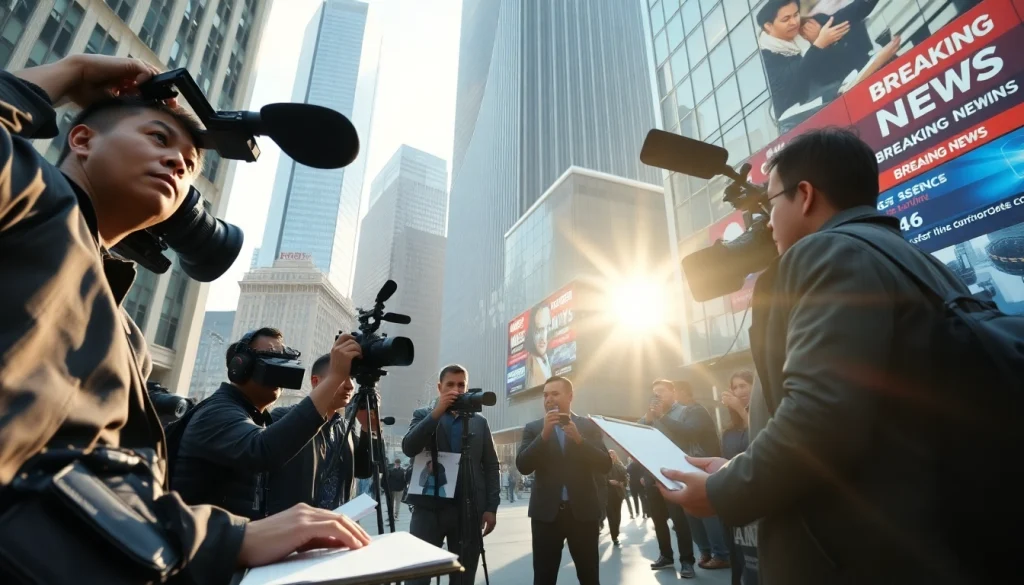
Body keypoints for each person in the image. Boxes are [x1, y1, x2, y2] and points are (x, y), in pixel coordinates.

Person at [0, 54, 369, 584]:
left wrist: (226, 540)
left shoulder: (124, 331)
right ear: (81, 140)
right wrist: (72, 74)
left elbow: (100, 483)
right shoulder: (35, 200)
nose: (178, 163)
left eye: (190, 165)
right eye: (157, 138)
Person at [659, 128, 977, 584]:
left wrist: (724, 490)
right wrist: (737, 467)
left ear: (804, 195)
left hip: (856, 555)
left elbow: (821, 414)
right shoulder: (917, 261)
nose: (766, 222)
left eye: (770, 204)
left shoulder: (830, 252)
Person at [172, 329, 361, 520]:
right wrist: (335, 377)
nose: (279, 367)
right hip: (201, 546)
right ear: (240, 367)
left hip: (236, 542)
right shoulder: (216, 412)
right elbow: (261, 449)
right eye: (269, 356)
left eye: (283, 357)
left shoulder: (255, 417)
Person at [402, 365, 500, 585]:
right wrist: (436, 413)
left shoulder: (479, 422)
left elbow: (492, 467)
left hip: (468, 510)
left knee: (464, 578)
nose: (457, 390)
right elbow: (409, 447)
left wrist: (491, 507)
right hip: (428, 509)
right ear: (440, 387)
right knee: (418, 577)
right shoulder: (423, 414)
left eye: (461, 384)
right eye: (450, 385)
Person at [516, 376, 612, 585]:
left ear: (570, 396)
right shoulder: (534, 428)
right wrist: (544, 435)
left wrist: (579, 440)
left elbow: (605, 464)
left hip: (583, 515)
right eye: (545, 395)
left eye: (555, 394)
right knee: (543, 577)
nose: (549, 399)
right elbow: (523, 465)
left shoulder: (588, 426)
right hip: (546, 516)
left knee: (589, 576)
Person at [265, 354, 376, 515]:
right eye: (341, 378)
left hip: (334, 525)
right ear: (316, 382)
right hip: (292, 526)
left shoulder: (344, 427)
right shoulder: (283, 418)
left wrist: (367, 426)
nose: (350, 386)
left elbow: (363, 470)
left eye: (351, 378)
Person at [720, 370, 756, 585]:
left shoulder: (767, 414)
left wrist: (742, 411)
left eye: (744, 385)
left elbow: (762, 436)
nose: (739, 391)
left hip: (758, 496)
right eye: (735, 387)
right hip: (735, 498)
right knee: (738, 557)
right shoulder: (729, 431)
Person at [524, 304, 553, 389]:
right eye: (538, 329)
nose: (543, 337)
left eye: (547, 327)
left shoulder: (554, 358)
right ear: (531, 331)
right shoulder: (529, 365)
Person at [605, 450, 629, 547]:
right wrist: (609, 481)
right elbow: (601, 479)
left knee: (617, 515)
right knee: (611, 516)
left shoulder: (620, 467)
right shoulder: (604, 467)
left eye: (613, 454)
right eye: (610, 454)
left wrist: (621, 483)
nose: (612, 456)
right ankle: (614, 536)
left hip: (618, 495)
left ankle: (616, 532)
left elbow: (626, 480)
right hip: (608, 495)